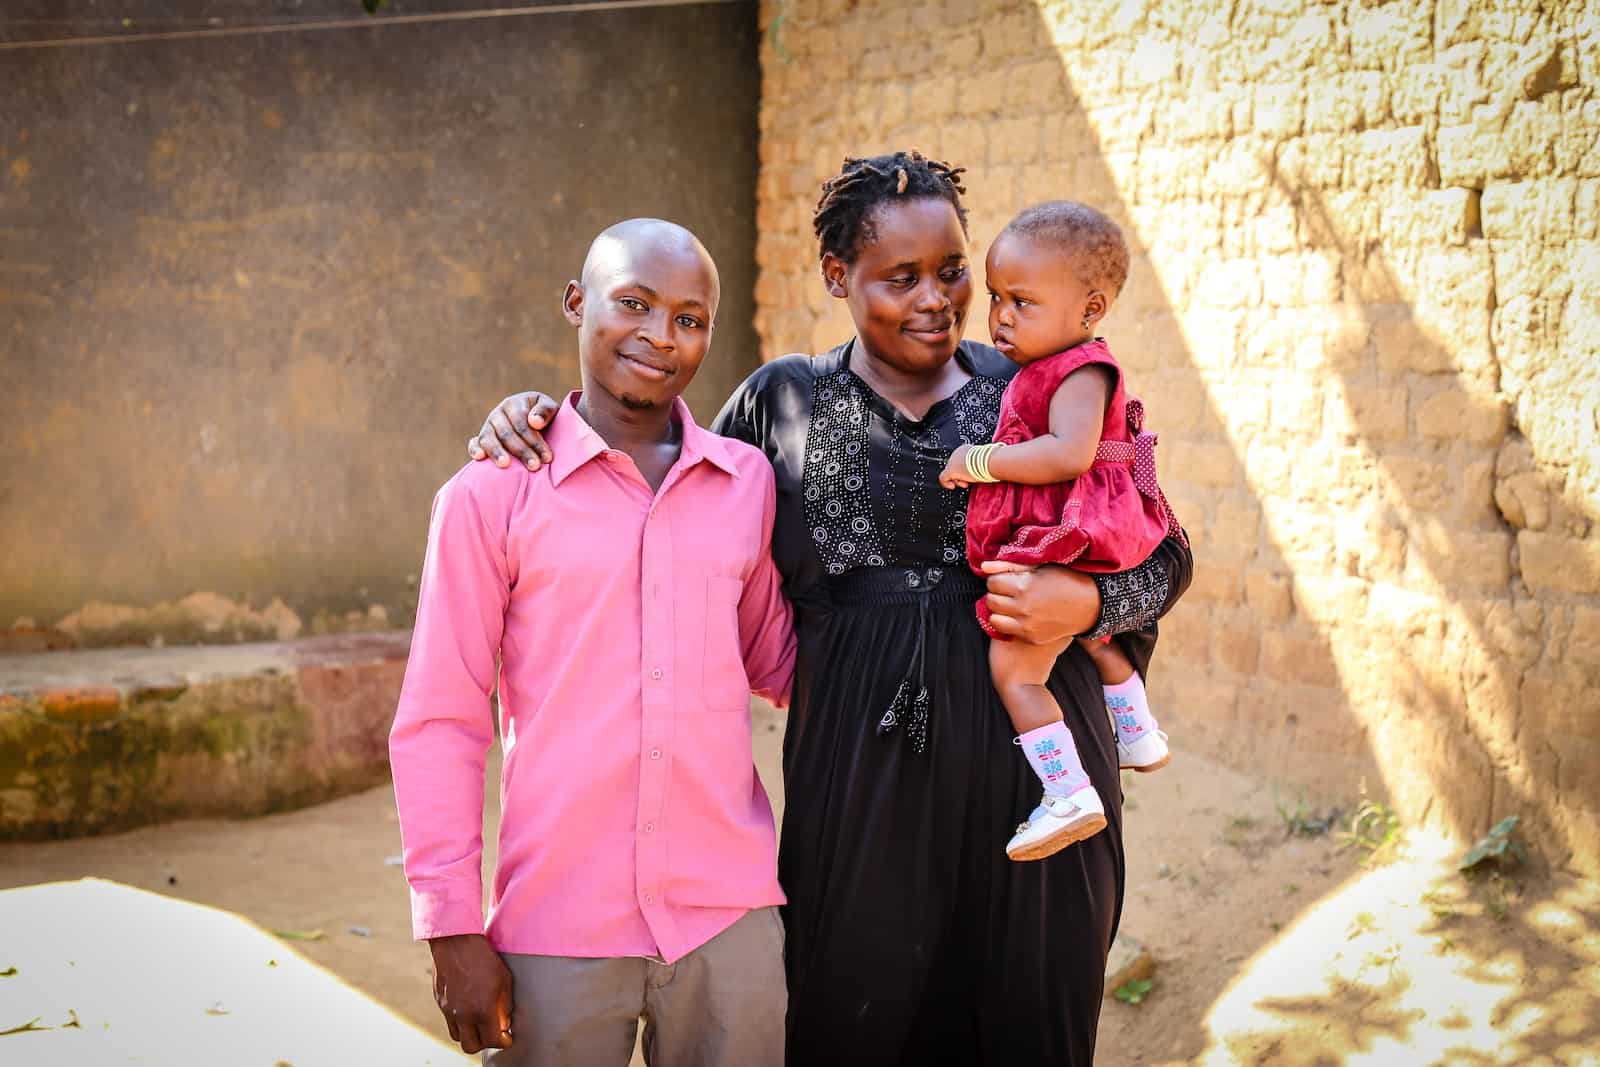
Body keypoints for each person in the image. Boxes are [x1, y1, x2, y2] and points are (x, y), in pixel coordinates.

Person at [468, 151, 1194, 1066]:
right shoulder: (781, 404)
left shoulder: (1042, 390)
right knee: (847, 1026)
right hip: (860, 792)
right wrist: (537, 416)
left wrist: (1084, 598)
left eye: (953, 270)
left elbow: (1167, 552)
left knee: (1031, 1029)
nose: (937, 298)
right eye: (900, 278)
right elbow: (658, 473)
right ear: (837, 278)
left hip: (1044, 787)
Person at [390, 218, 796, 1067]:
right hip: (557, 925)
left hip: (729, 918)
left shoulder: (745, 484)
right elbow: (441, 718)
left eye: (689, 318)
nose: (660, 335)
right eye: (634, 304)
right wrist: (451, 925)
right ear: (577, 305)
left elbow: (783, 663)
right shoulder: (490, 494)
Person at [938, 200, 1186, 862]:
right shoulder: (1046, 367)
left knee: (1016, 670)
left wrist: (978, 462)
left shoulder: (1082, 369)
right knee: (1097, 630)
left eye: (1023, 301)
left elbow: (1069, 454)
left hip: (1077, 527)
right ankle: (1135, 729)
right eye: (996, 298)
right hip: (1079, 529)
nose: (1001, 317)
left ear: (1090, 308)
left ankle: (1066, 789)